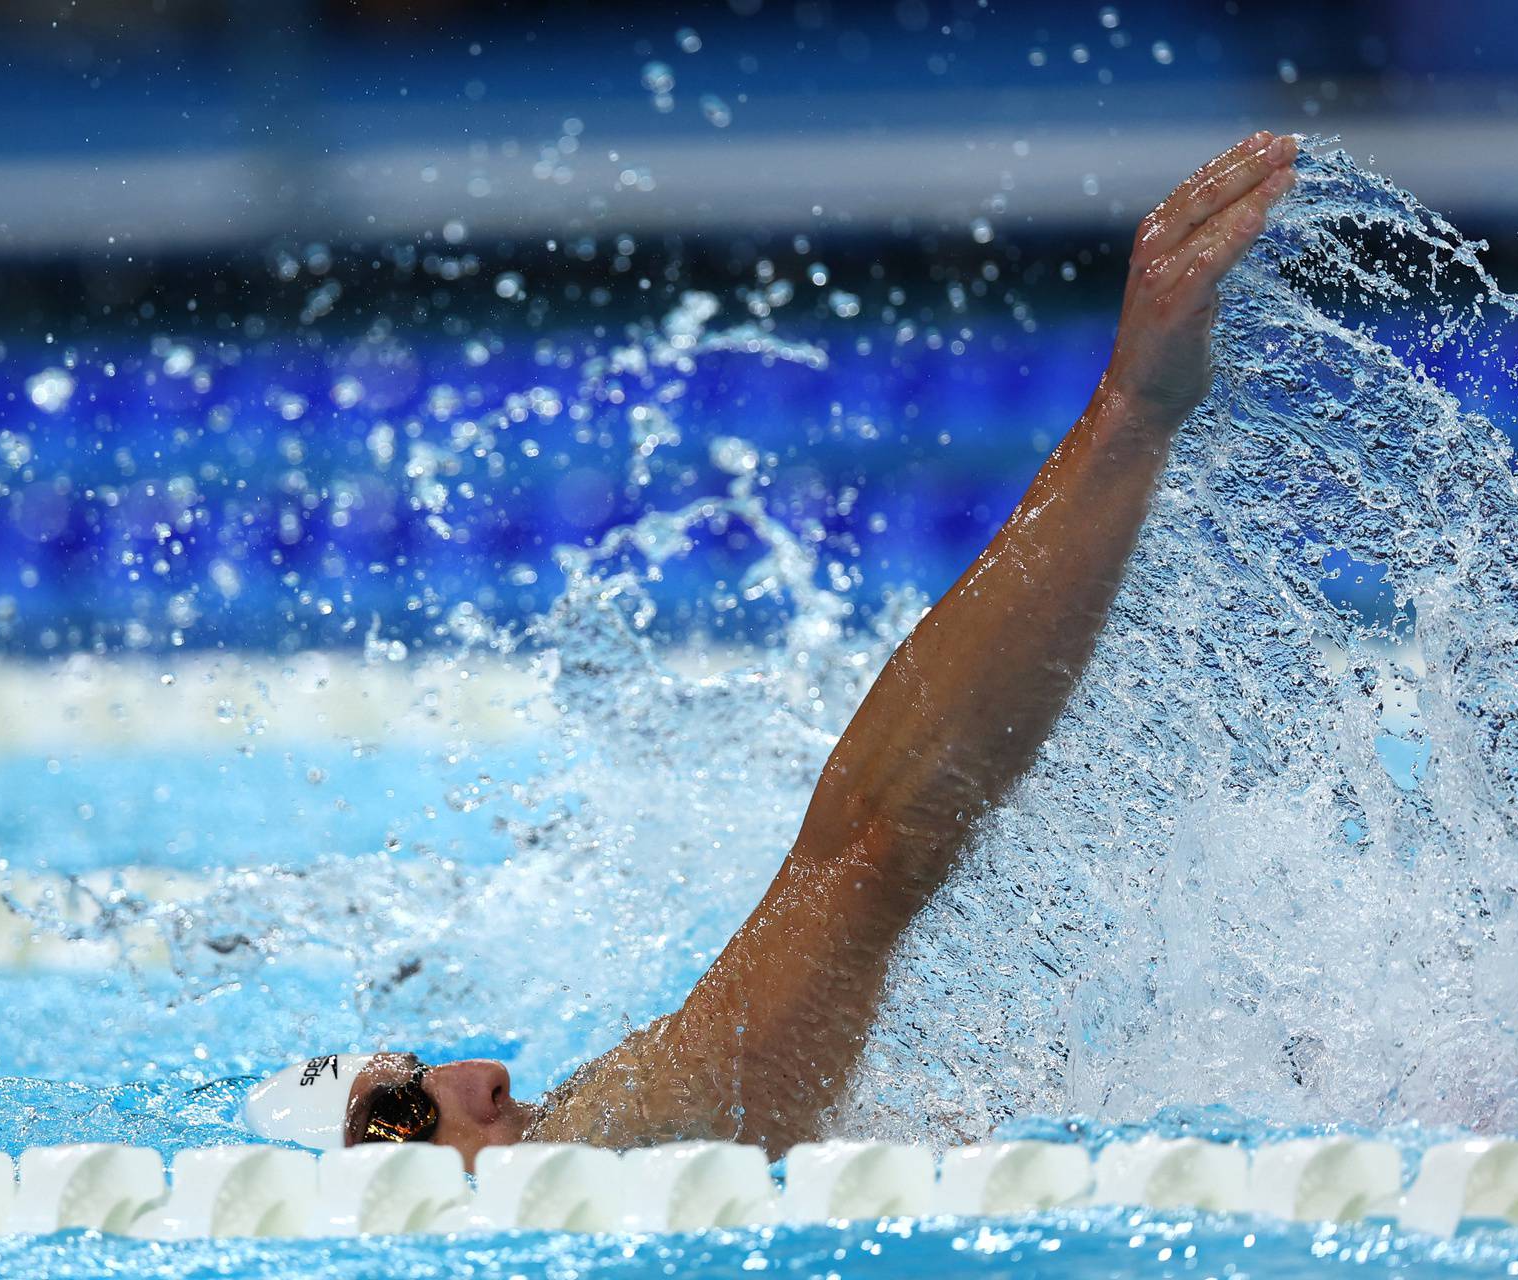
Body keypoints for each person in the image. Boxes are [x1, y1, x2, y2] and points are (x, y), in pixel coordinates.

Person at [244, 131, 1301, 1171]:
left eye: (417, 1073)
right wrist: (1132, 412)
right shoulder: (602, 1151)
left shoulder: (607, 1132)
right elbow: (874, 844)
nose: (480, 1071)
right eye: (401, 1115)